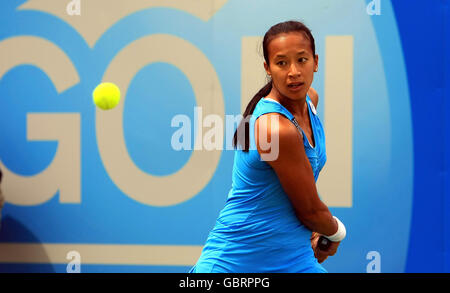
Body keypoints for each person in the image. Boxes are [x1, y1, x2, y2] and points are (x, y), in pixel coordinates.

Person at [190, 20, 346, 273]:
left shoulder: (310, 101)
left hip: (293, 259)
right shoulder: (277, 129)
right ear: (268, 68)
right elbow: (310, 211)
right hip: (235, 263)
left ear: (315, 62)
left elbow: (300, 196)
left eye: (302, 60)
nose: (293, 71)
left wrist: (322, 227)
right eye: (282, 63)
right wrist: (336, 231)